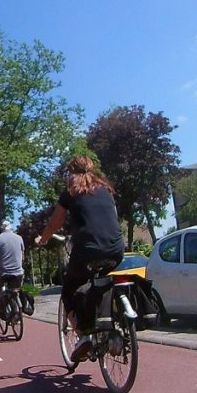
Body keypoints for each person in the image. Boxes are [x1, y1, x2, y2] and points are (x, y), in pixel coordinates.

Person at [34, 154, 125, 362]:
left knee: (70, 288)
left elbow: (55, 222)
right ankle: (111, 325)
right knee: (100, 283)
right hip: (116, 248)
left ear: (71, 171)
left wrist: (43, 238)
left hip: (88, 249)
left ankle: (84, 336)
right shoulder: (106, 188)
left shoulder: (71, 191)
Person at [0, 219, 24, 318]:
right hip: (18, 273)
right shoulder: (19, 238)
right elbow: (22, 257)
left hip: (2, 273)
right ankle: (16, 307)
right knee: (14, 290)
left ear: (1, 229)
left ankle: (0, 308)